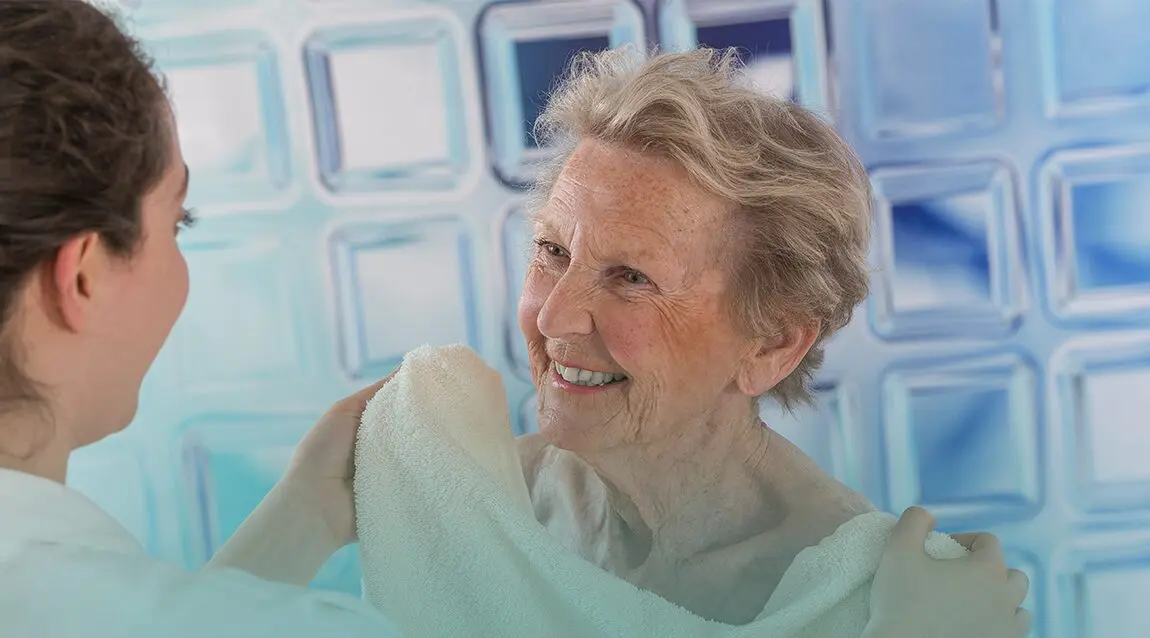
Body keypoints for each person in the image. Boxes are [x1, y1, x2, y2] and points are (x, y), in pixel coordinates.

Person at [0, 1, 1025, 637]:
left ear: (774, 339)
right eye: (550, 250)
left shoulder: (880, 585)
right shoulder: (460, 492)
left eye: (630, 278)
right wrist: (310, 505)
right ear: (78, 276)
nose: (556, 313)